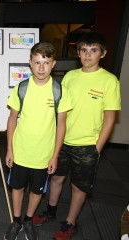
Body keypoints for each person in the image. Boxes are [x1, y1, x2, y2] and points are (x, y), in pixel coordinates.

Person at [32, 32, 121, 240]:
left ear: (103, 53)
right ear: (78, 53)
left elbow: (110, 120)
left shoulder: (110, 81)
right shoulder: (70, 77)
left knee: (78, 186)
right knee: (56, 178)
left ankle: (70, 222)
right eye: (83, 50)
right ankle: (51, 212)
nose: (88, 55)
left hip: (88, 145)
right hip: (62, 140)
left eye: (94, 50)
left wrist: (96, 149)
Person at [4, 42, 72, 240]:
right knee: (17, 187)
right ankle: (16, 220)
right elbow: (11, 119)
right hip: (20, 151)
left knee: (36, 190)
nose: (41, 68)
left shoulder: (60, 91)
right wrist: (9, 149)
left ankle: (28, 219)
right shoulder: (21, 88)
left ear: (54, 64)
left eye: (46, 63)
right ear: (30, 63)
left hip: (43, 155)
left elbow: (61, 125)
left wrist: (55, 155)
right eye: (37, 62)